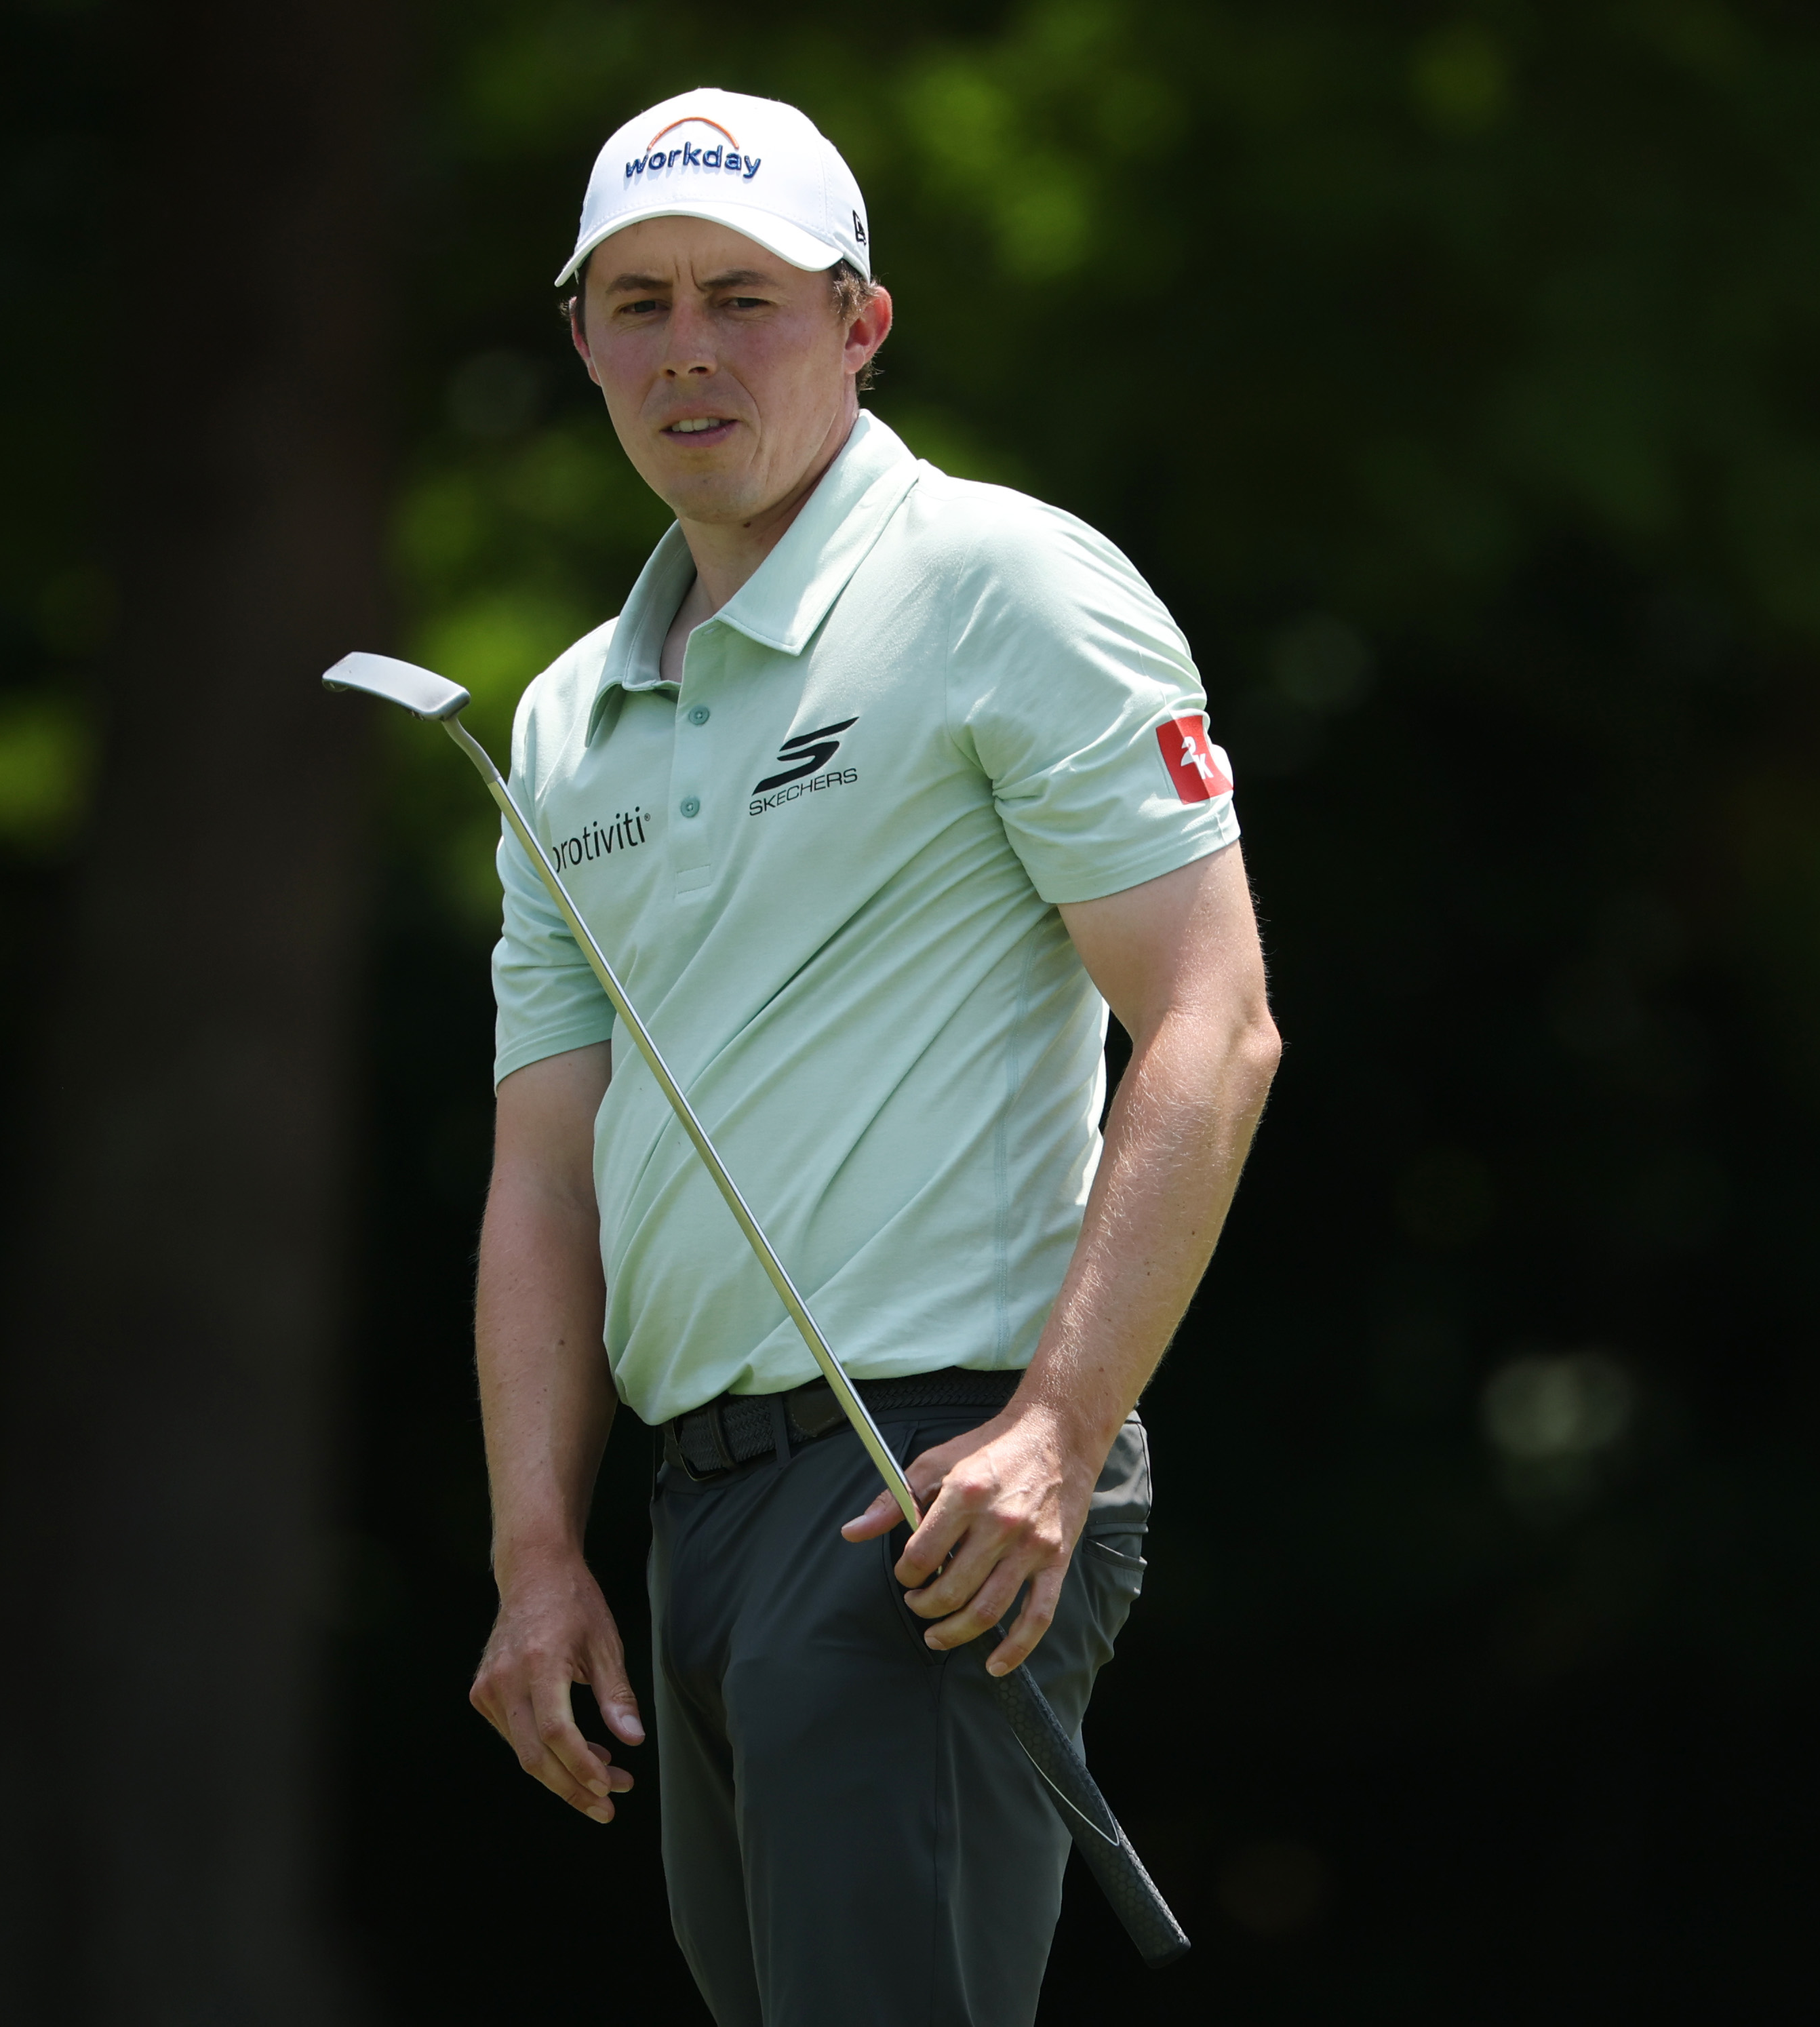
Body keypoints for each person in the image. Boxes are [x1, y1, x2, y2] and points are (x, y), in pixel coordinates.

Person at [465, 87, 1282, 2024]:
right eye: (640, 302)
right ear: (581, 340)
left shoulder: (1003, 583)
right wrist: (533, 1554)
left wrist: (1056, 1433)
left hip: (933, 1486)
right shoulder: (565, 716)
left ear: (859, 322)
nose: (688, 349)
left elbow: (1214, 1019)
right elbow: (546, 1173)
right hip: (697, 1519)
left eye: (742, 297)